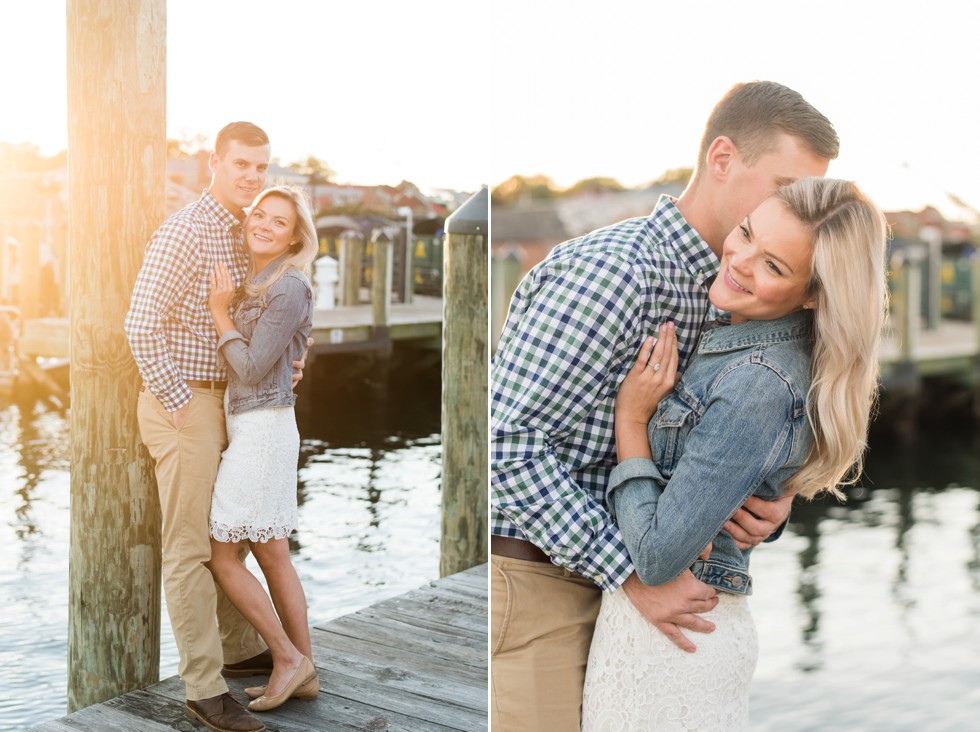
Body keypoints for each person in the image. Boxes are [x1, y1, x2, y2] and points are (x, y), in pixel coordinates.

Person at [490, 80, 839, 731]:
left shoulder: (740, 292)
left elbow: (723, 440)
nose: (799, 211)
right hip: (543, 584)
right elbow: (504, 446)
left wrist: (768, 504)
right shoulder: (614, 274)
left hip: (640, 594)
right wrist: (630, 571)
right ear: (723, 158)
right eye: (787, 187)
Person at [581, 177, 889, 729]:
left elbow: (654, 558)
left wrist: (631, 418)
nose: (739, 260)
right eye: (745, 234)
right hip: (669, 634)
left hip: (674, 645)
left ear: (814, 294)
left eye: (773, 265)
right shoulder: (748, 343)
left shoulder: (758, 382)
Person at [125, 121, 304, 732]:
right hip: (187, 405)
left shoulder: (242, 233)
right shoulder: (185, 230)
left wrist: (291, 359)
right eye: (241, 166)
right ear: (214, 163)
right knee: (188, 548)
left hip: (233, 403)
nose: (252, 177)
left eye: (261, 167)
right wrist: (177, 403)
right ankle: (204, 688)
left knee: (227, 531)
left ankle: (238, 646)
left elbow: (264, 314)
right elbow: (141, 322)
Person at [204, 185, 318, 713]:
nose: (265, 226)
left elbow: (250, 367)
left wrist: (220, 312)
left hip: (264, 429)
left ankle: (286, 657)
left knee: (222, 555)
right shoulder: (262, 282)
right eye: (260, 216)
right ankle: (304, 668)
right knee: (272, 552)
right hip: (257, 424)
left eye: (279, 222)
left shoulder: (288, 286)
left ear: (295, 236)